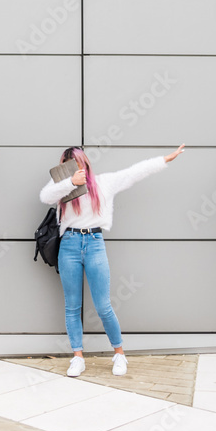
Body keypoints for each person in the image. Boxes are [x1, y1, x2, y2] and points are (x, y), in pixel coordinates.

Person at [39, 144, 185, 378]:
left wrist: (165, 159)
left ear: (85, 163)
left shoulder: (103, 183)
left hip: (95, 242)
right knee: (72, 306)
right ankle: (78, 357)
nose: (76, 168)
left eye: (78, 163)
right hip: (69, 245)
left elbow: (134, 172)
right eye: (69, 165)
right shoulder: (62, 187)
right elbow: (45, 197)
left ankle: (119, 354)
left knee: (103, 306)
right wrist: (70, 183)